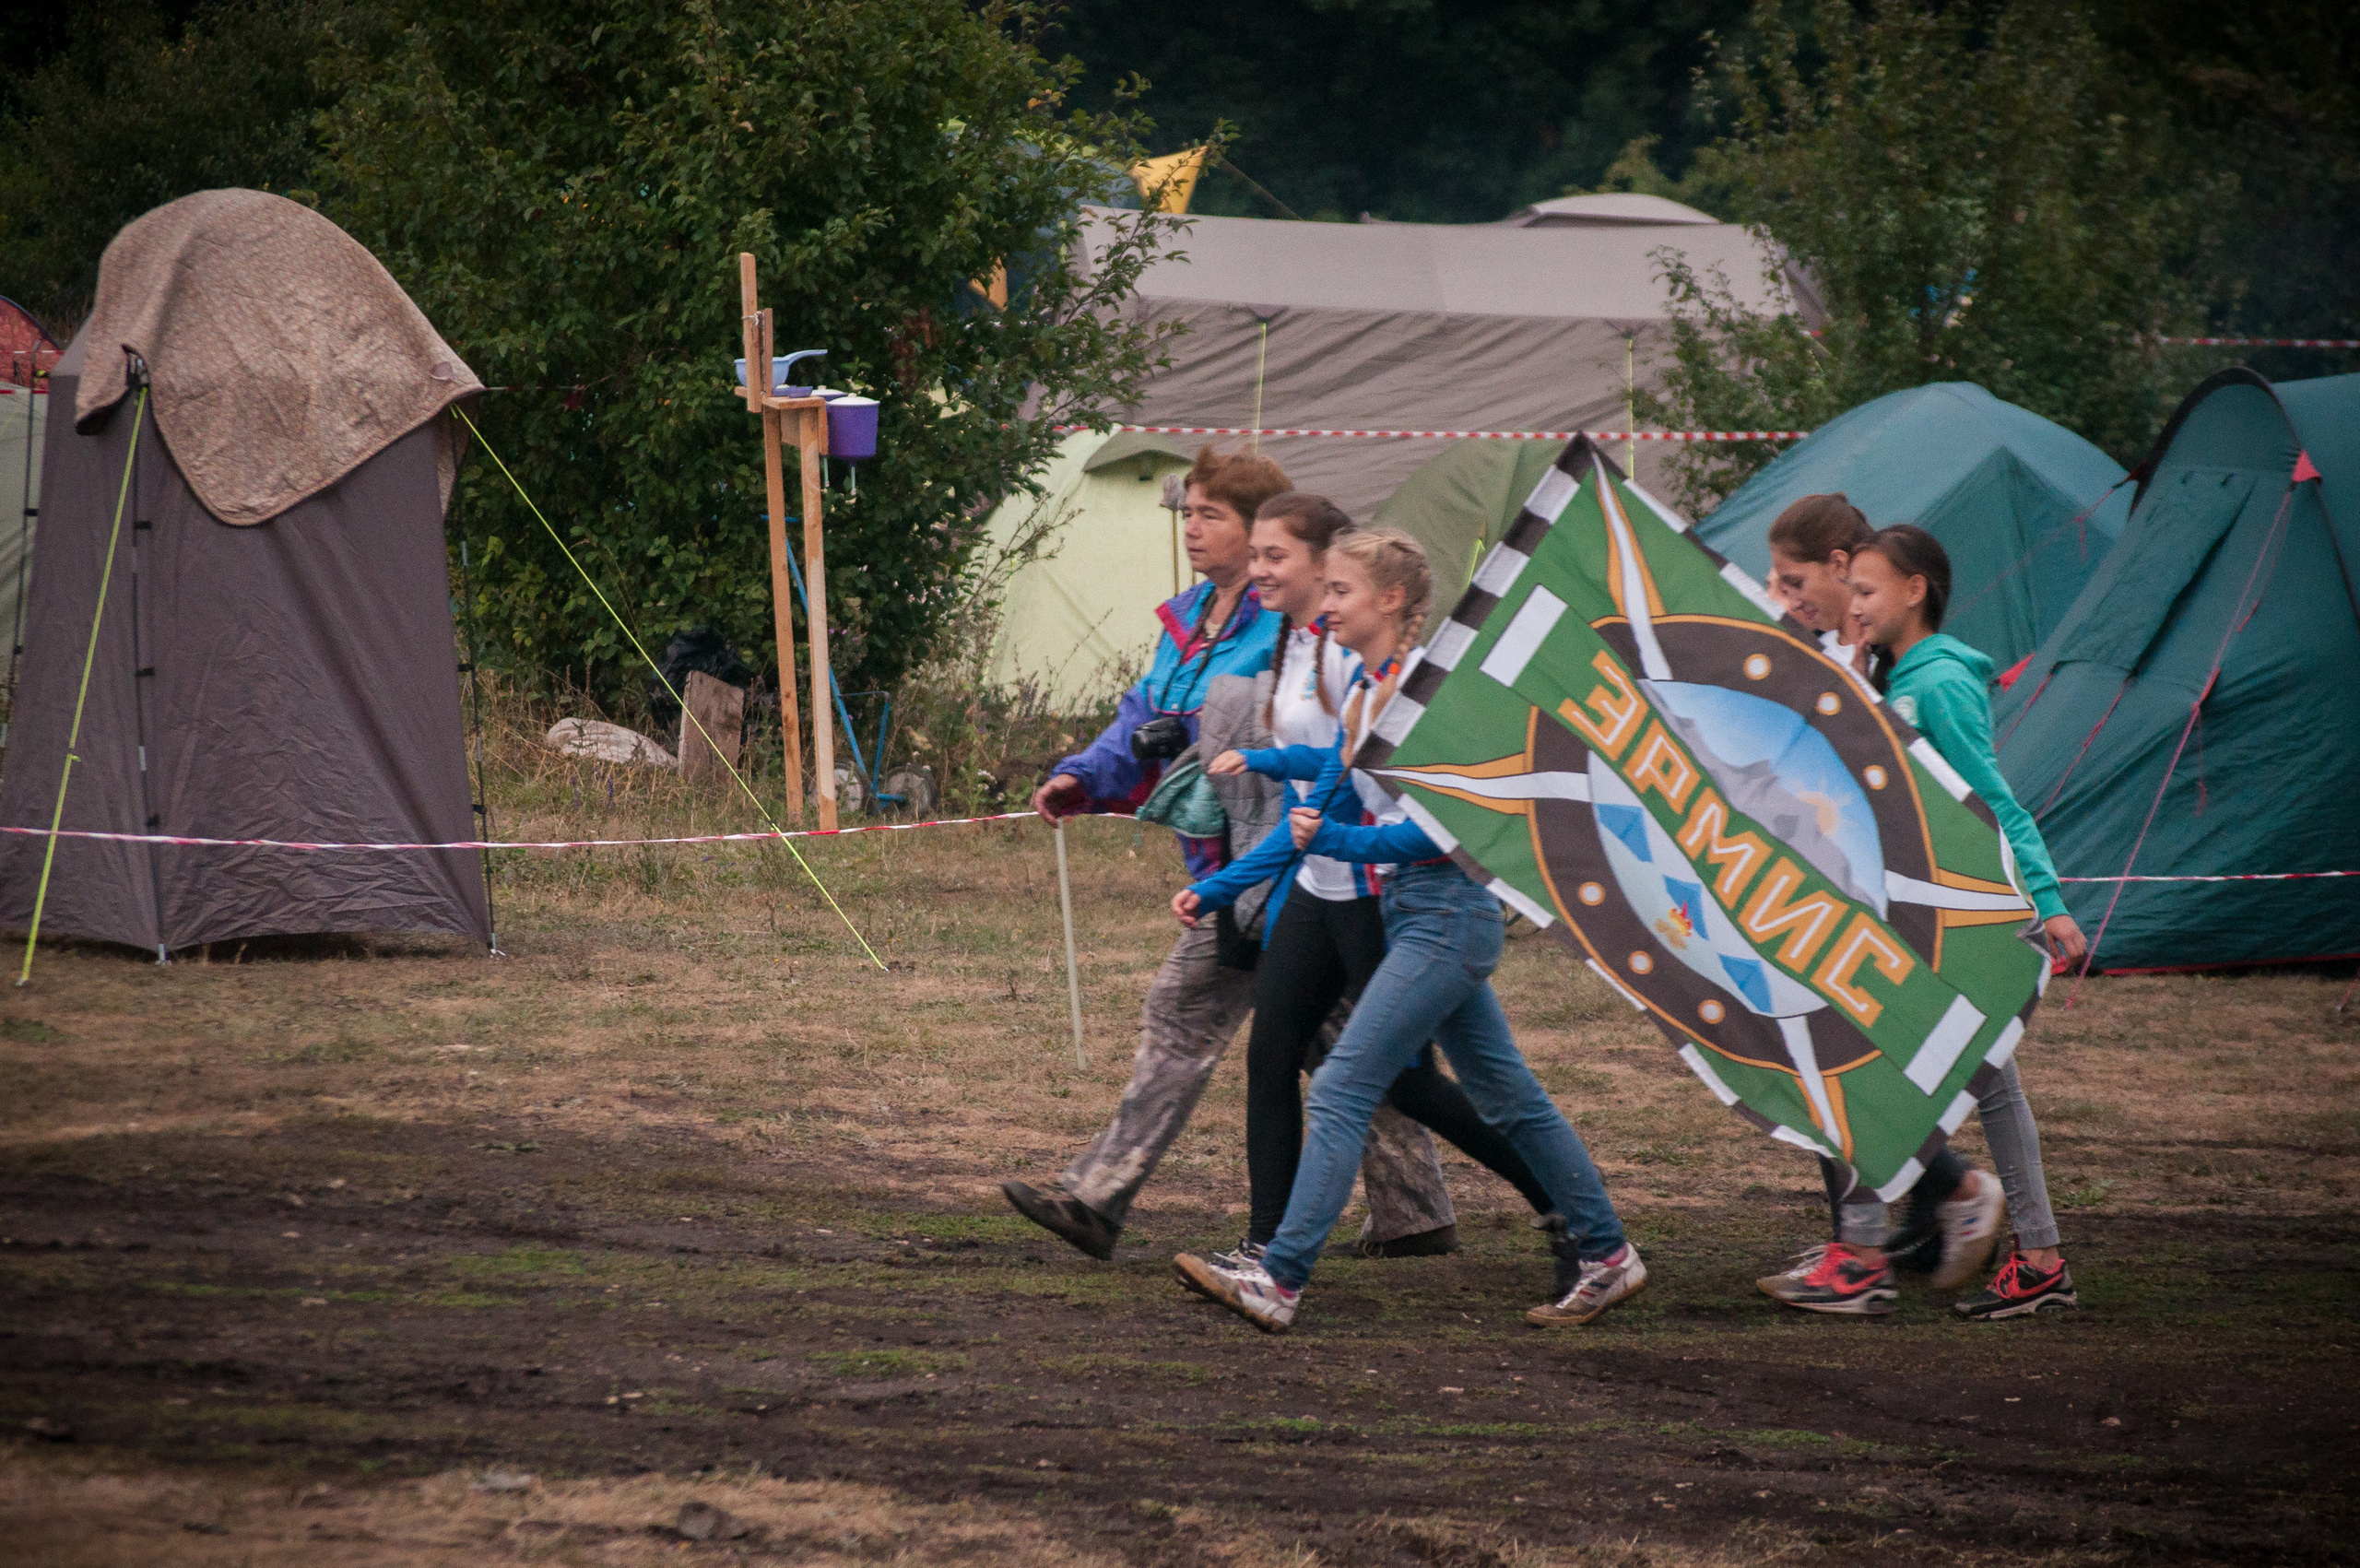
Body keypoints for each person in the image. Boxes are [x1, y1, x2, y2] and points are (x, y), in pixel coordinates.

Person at [1172, 530, 1644, 1334]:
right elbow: (1329, 791)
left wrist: (1334, 839)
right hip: (1413, 916)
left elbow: (1437, 833)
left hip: (1447, 916)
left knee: (1347, 1083)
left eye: (1341, 592)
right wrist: (1221, 882)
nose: (1326, 605)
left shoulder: (1429, 697)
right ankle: (1607, 1253)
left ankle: (1277, 1279)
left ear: (1391, 601)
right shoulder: (1365, 689)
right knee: (1507, 1095)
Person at [1001, 452, 1457, 1260]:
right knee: (1343, 1040)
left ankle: (1100, 1195)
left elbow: (1302, 742)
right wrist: (1084, 773)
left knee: (1200, 1017)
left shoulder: (1293, 625)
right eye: (1188, 513)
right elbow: (1145, 714)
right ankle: (1416, 1211)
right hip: (1234, 863)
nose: (1193, 529)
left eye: (1212, 514)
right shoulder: (1189, 621)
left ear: (1259, 533)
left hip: (1291, 865)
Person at [1183, 494, 1554, 1268]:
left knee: (1409, 1082)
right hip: (1319, 889)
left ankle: (1557, 1197)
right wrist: (1224, 880)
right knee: (1273, 1051)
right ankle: (1263, 1245)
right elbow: (1315, 782)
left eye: (1274, 556)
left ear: (1327, 568)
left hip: (1378, 896)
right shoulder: (1299, 644)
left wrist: (1310, 844)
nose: (1257, 571)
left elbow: (1345, 797)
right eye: (1254, 555)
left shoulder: (1365, 659)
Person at [1761, 525, 2085, 1321]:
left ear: (1915, 590)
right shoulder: (1897, 673)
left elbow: (1993, 798)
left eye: (1868, 592)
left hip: (1956, 925)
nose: (1857, 608)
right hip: (1911, 921)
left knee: (1964, 1082)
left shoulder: (1934, 684)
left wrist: (2048, 902)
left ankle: (1899, 1256)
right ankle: (1895, 1252)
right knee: (1892, 1073)